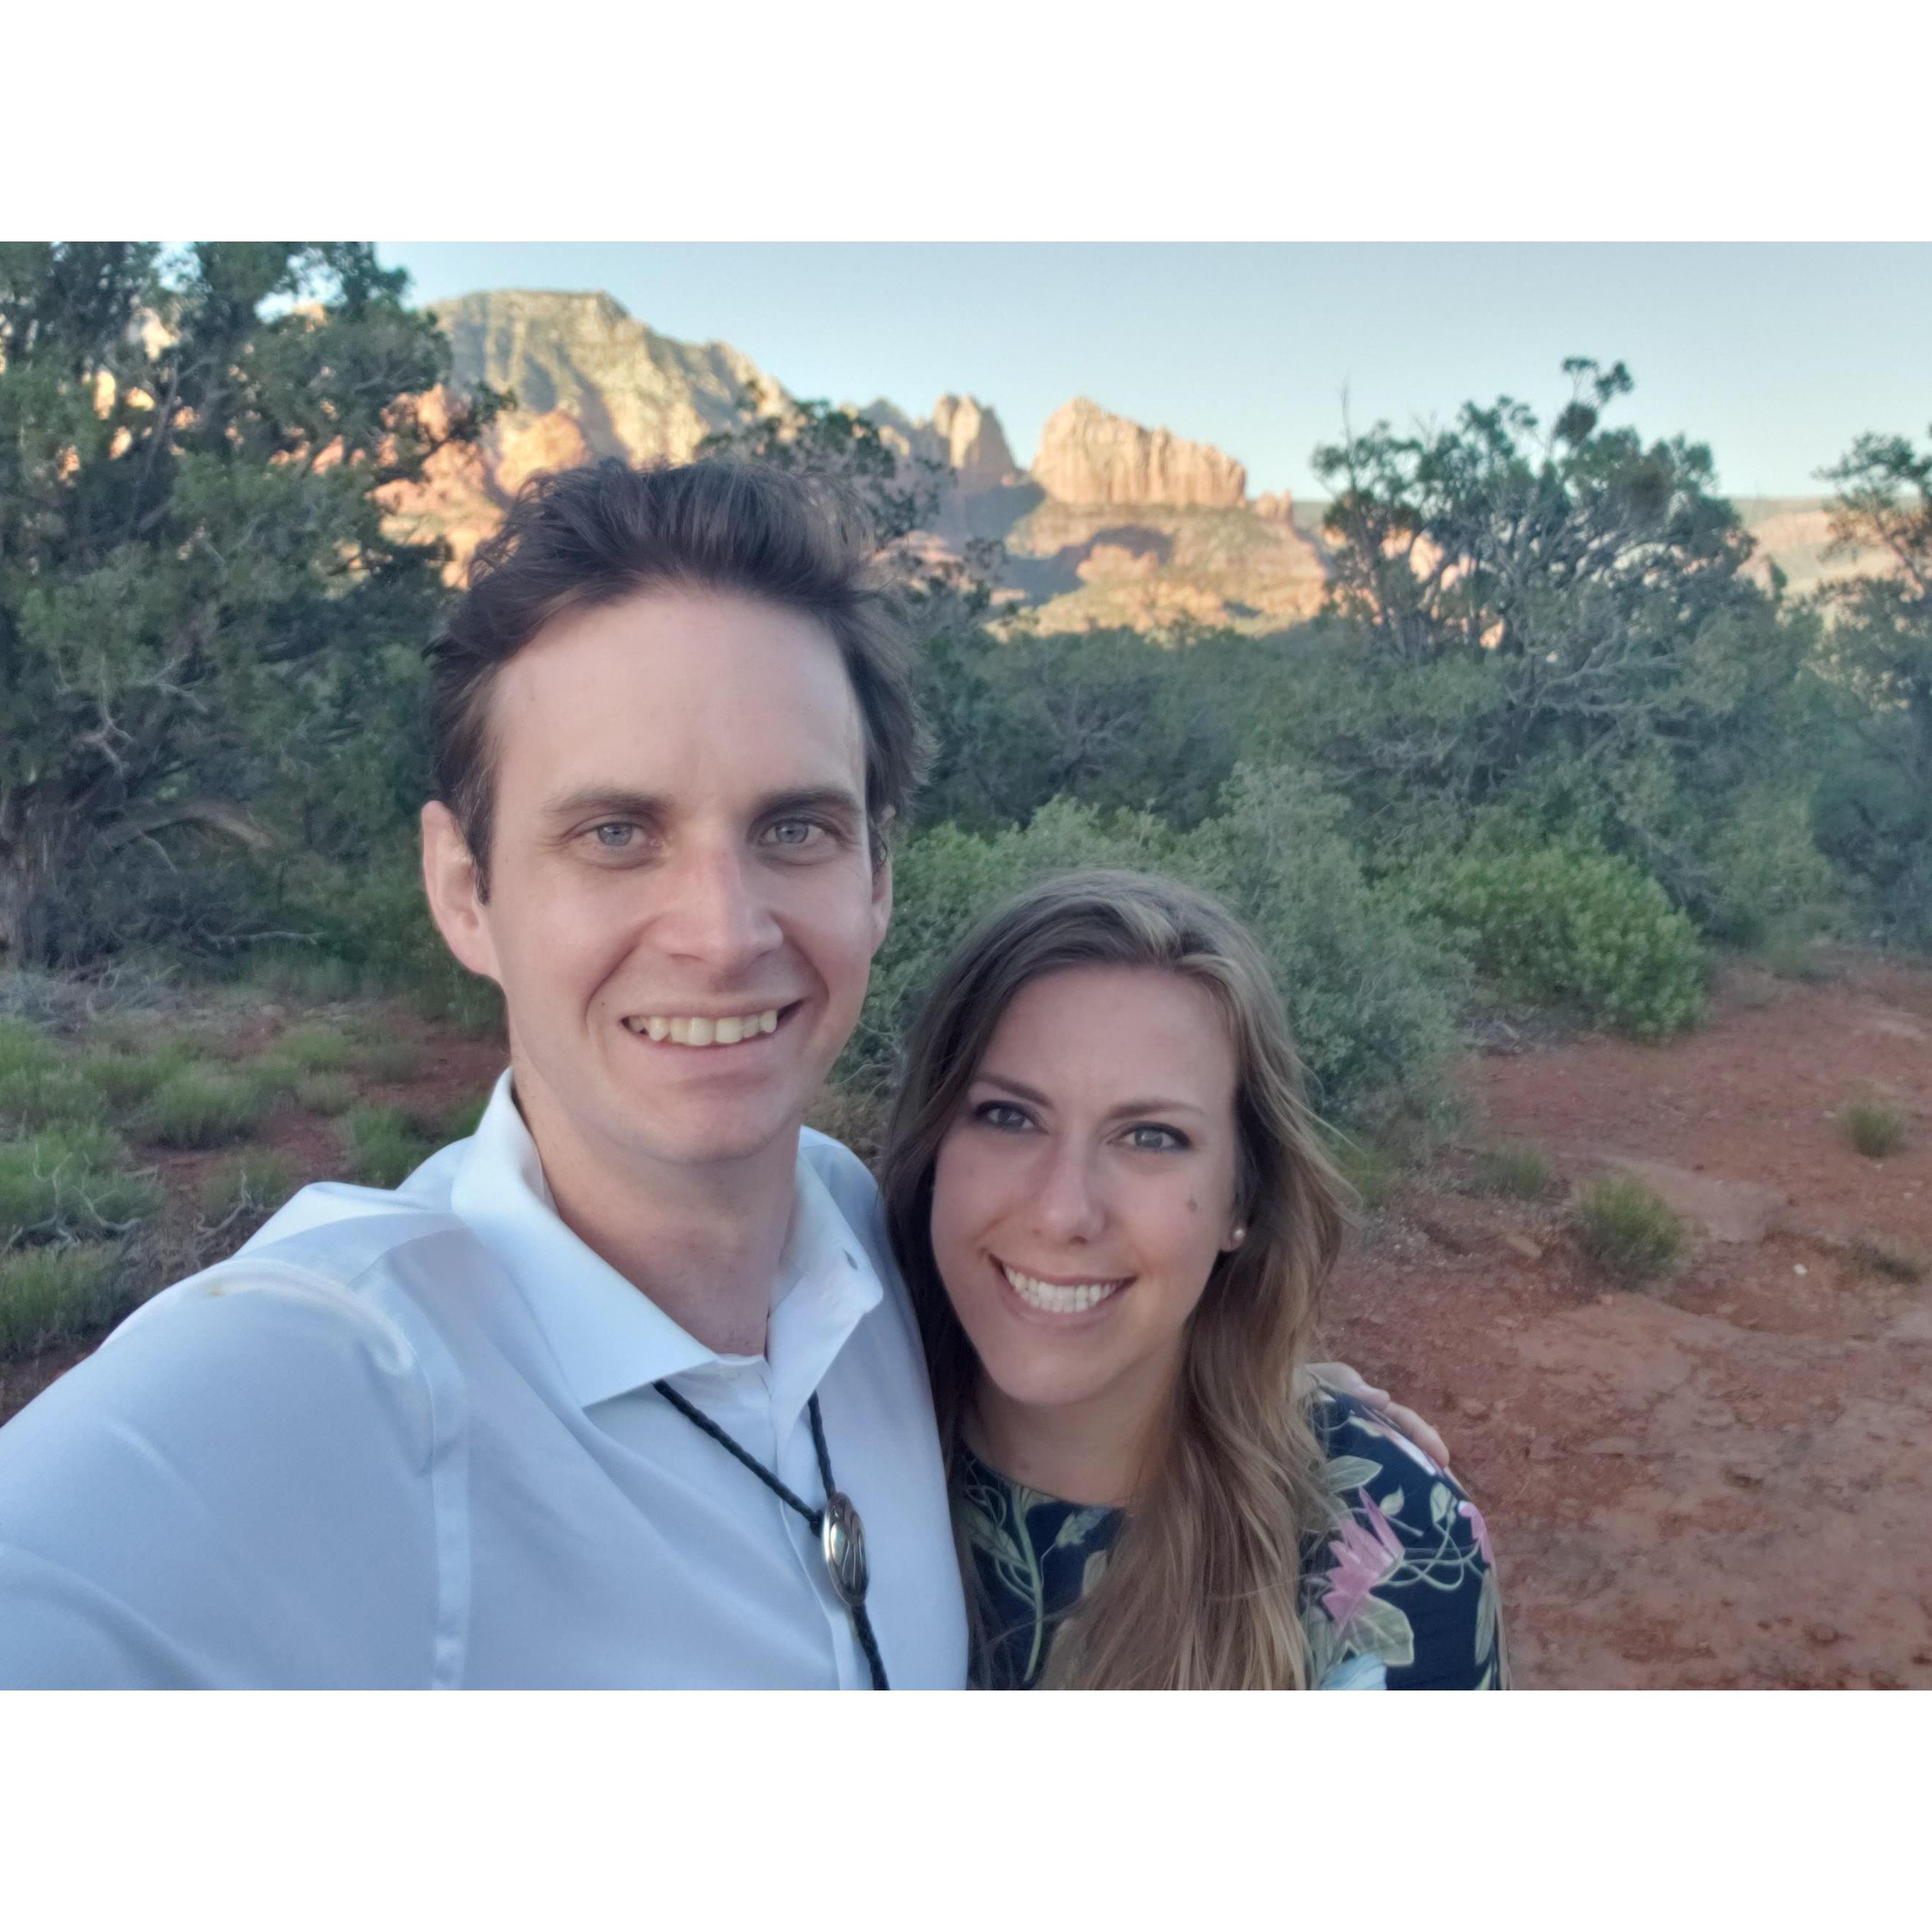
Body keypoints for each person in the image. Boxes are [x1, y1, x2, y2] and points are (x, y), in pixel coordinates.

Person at [0, 460, 1439, 1689]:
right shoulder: (331, 1374)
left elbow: (1068, 1270)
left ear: (881, 873)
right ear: (464, 889)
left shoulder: (864, 1246)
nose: (724, 934)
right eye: (617, 833)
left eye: (794, 830)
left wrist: (1287, 1391)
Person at [880, 869, 1507, 1690]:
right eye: (1009, 1116)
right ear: (933, 1150)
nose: (1064, 1212)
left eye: (1149, 1137)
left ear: (1241, 1198)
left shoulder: (1388, 1545)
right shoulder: (806, 1440)